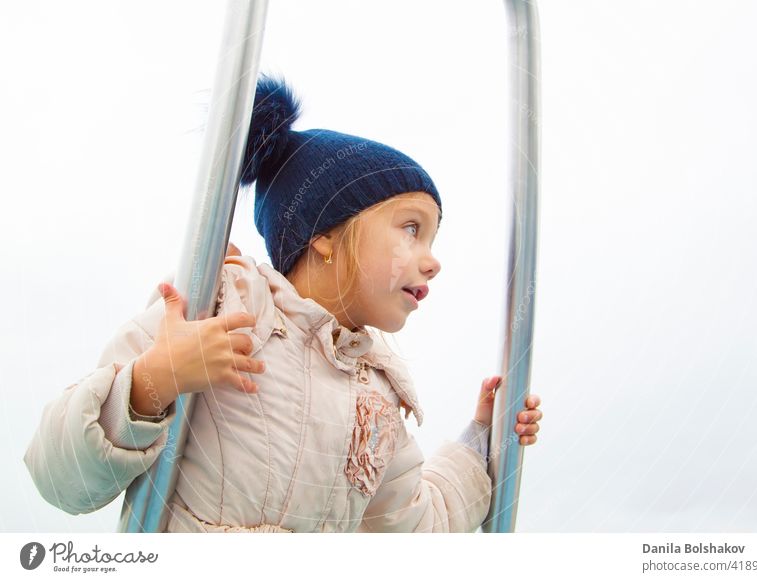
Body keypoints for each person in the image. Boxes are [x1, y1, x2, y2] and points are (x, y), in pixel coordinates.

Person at [24, 73, 543, 532]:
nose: (432, 261)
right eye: (411, 228)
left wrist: (484, 440)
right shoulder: (219, 304)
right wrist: (156, 378)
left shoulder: (376, 396)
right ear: (324, 235)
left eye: (431, 239)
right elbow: (60, 477)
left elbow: (417, 527)